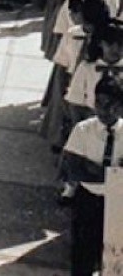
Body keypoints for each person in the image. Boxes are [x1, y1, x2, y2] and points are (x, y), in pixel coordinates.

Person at [62, 75, 123, 276]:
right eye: (99, 103)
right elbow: (74, 169)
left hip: (118, 204)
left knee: (115, 257)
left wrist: (95, 169)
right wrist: (113, 174)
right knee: (83, 254)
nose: (104, 110)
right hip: (88, 200)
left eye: (110, 105)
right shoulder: (83, 130)